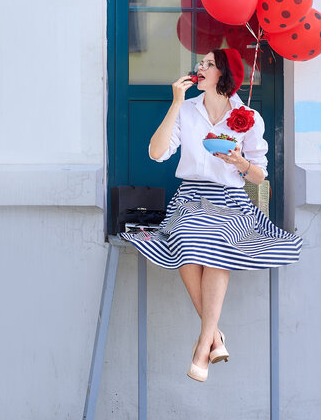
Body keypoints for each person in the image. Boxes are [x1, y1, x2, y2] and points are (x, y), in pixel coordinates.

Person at [120, 47, 302, 382]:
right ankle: (214, 337)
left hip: (231, 199)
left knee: (217, 242)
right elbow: (156, 153)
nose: (199, 67)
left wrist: (240, 163)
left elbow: (259, 176)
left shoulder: (248, 117)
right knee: (186, 239)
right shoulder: (187, 110)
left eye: (208, 63)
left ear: (224, 73)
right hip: (191, 197)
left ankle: (204, 343)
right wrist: (175, 103)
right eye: (200, 63)